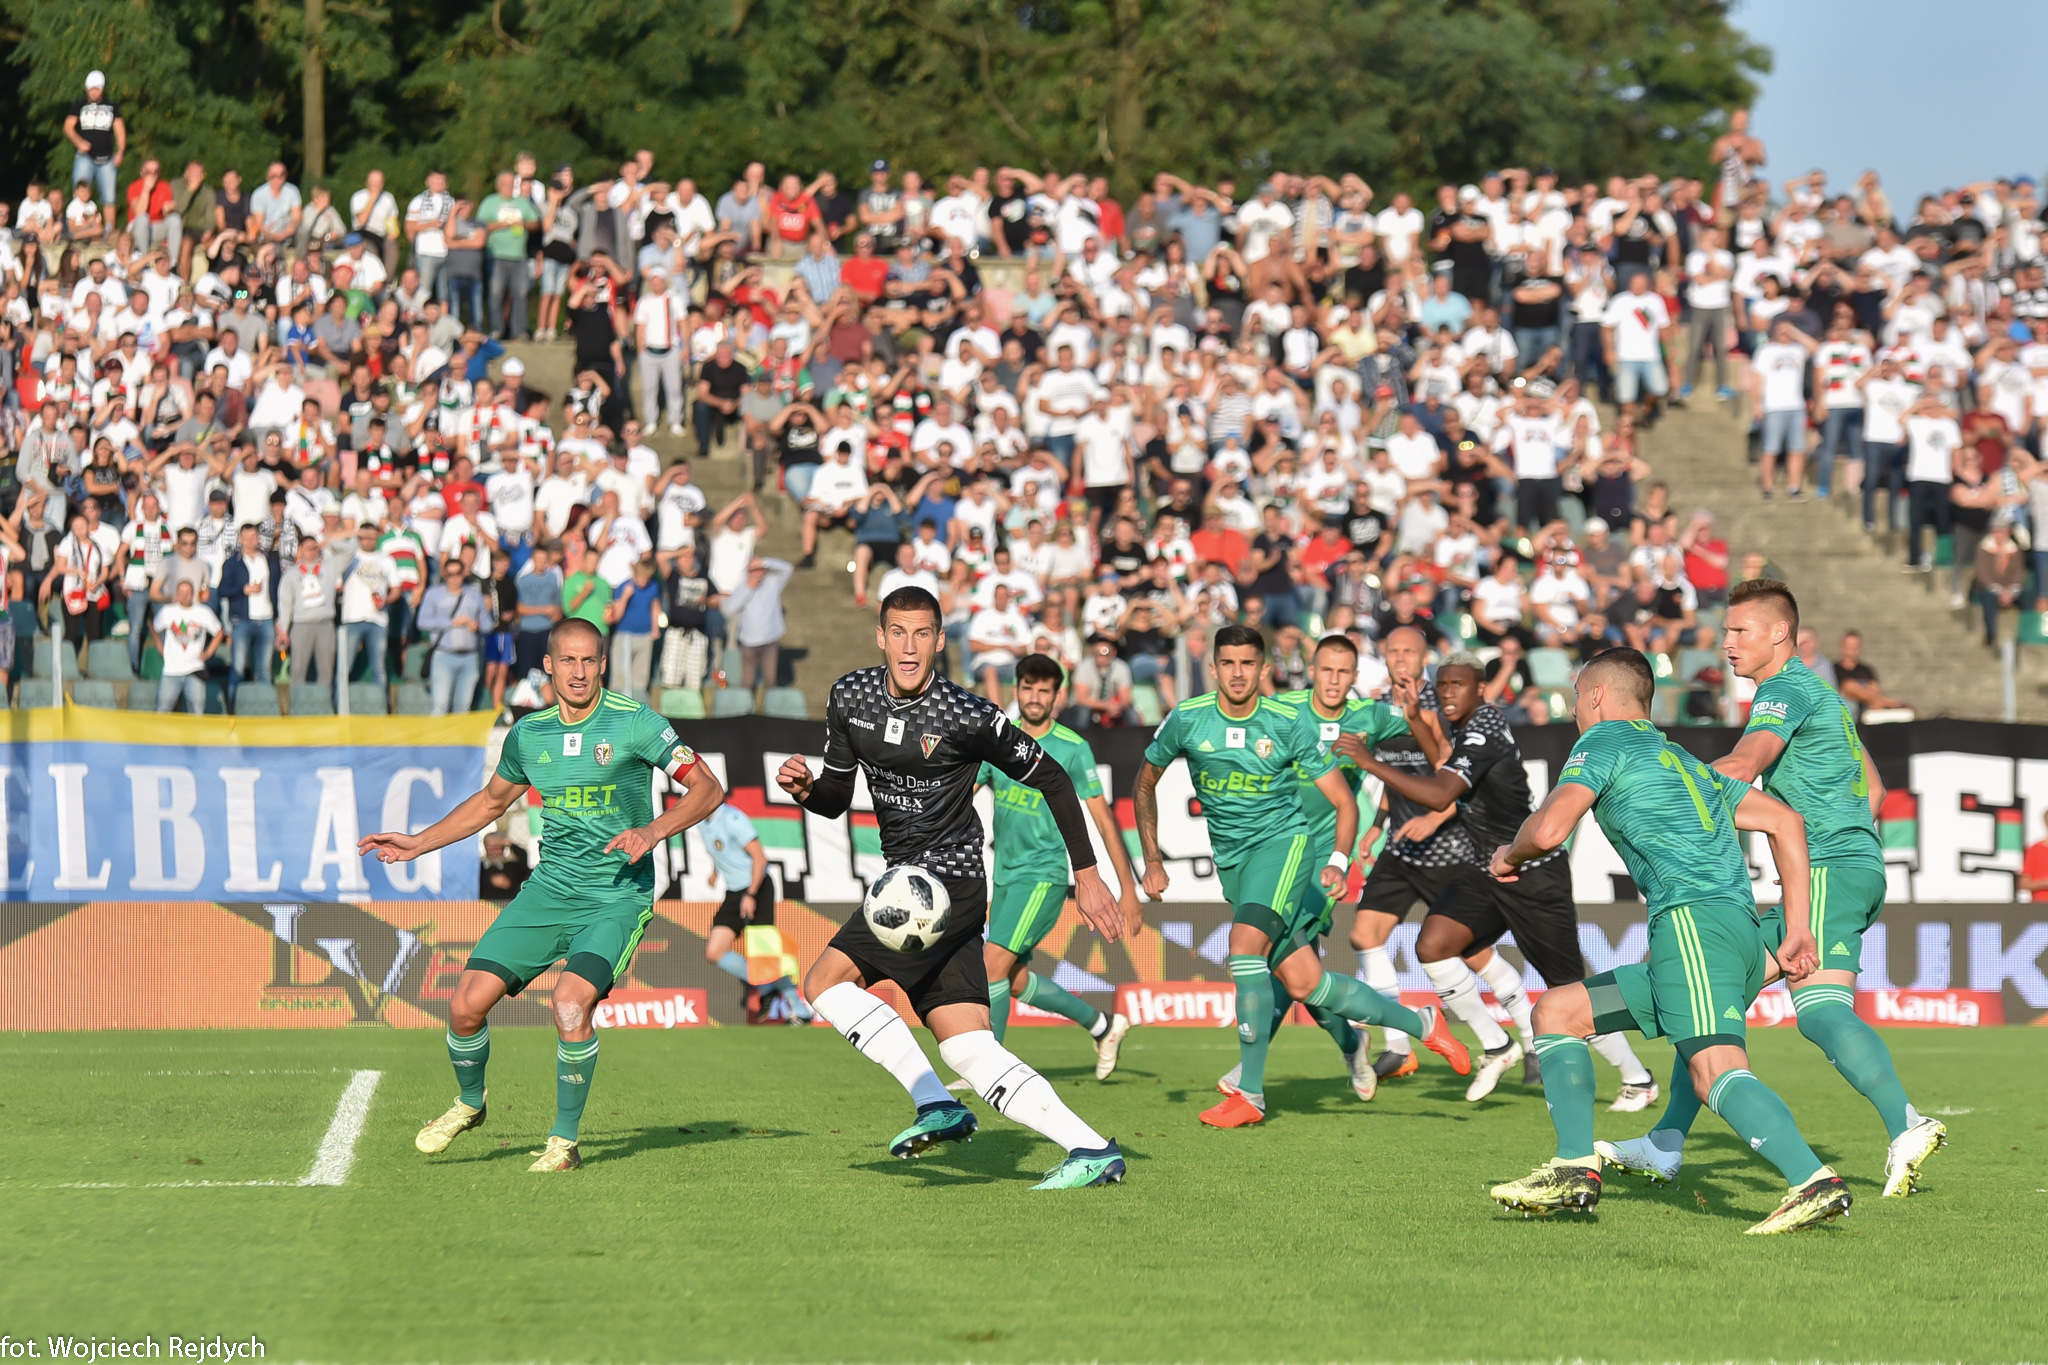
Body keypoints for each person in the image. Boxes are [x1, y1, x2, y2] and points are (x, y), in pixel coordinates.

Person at [772, 585, 1129, 1189]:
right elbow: (835, 797)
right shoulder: (850, 697)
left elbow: (1054, 778)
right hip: (911, 881)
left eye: (922, 634)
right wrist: (807, 789)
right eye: (898, 632)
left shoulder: (968, 715)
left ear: (940, 640)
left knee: (823, 983)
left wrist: (1088, 875)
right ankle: (1091, 1149)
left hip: (945, 883)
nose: (909, 647)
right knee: (968, 1047)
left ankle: (935, 1103)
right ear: (880, 637)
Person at [1484, 648, 1849, 1236]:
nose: (1575, 711)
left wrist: (1510, 854)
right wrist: (1798, 925)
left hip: (1692, 930)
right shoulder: (1682, 760)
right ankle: (1574, 1167)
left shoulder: (1603, 742)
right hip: (1729, 933)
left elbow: (1549, 830)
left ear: (1597, 695)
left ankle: (1812, 1180)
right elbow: (1786, 821)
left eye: (1577, 697)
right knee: (1557, 1011)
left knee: (1714, 1071)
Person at [1600, 581, 1946, 1199]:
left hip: (1828, 870)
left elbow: (1744, 764)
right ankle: (1666, 1142)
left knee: (1820, 1012)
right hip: (1851, 867)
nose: (1728, 643)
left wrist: (1667, 786)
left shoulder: (1783, 691)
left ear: (1779, 633)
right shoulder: (1822, 694)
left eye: (1741, 631)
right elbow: (1873, 789)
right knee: (1712, 996)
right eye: (1726, 631)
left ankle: (1907, 1123)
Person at [364, 617, 724, 1172]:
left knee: (569, 1003)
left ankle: (563, 1144)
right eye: (568, 661)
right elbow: (490, 803)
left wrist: (652, 831)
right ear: (549, 666)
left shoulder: (635, 722)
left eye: (589, 661)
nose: (579, 672)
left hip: (615, 897)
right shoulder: (529, 734)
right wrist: (417, 843)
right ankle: (470, 1103)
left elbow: (707, 788)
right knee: (464, 1007)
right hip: (548, 892)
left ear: (603, 665)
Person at [1134, 624, 1469, 1129]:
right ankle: (1419, 1022)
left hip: (1288, 850)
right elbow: (1144, 783)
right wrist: (1153, 859)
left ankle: (1249, 1091)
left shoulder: (1290, 723)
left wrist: (1337, 858)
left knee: (1246, 951)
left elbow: (1343, 800)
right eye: (1229, 663)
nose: (1238, 673)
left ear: (1264, 669)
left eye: (1248, 663)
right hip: (1234, 863)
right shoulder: (1188, 718)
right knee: (1305, 981)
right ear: (1214, 668)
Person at [1343, 651, 1658, 1107]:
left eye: (1458, 684)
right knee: (1433, 945)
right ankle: (1497, 1045)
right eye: (1442, 684)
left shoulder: (1485, 727)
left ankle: (1639, 1080)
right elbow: (1443, 762)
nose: (1447, 693)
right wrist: (1415, 721)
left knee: (1569, 990)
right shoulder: (1465, 729)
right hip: (1488, 869)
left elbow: (1442, 792)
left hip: (1531, 871)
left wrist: (1369, 763)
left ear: (1481, 689)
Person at [1214, 633, 1440, 1101]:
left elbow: (1434, 741)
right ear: (1312, 671)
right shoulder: (1284, 708)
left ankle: (1250, 1071)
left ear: (1355, 677)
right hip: (1271, 852)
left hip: (1321, 862)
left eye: (1343, 672)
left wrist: (1416, 712)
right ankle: (1352, 1043)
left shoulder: (1370, 716)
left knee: (1282, 961)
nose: (1334, 680)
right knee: (1296, 971)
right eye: (1326, 670)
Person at [977, 654, 1142, 1071]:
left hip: (1043, 877)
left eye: (1044, 690)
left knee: (990, 966)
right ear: (1016, 690)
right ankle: (1103, 1024)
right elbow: (962, 796)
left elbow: (1105, 821)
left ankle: (988, 1069)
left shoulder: (1072, 748)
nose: (1034, 697)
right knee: (1012, 979)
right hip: (1004, 877)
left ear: (1058, 696)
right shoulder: (998, 742)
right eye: (1027, 688)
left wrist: (1128, 890)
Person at [696, 798, 813, 1023]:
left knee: (766, 955)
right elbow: (722, 850)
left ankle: (801, 1011)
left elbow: (760, 858)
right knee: (714, 952)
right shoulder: (702, 822)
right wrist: (715, 872)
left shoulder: (732, 819)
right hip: (734, 892)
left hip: (757, 888)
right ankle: (766, 987)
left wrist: (751, 895)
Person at [419, 556, 488, 715]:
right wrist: (452, 622)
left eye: (457, 573)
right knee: (440, 706)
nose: (454, 578)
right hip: (444, 655)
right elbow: (422, 622)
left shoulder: (474, 595)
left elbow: (488, 624)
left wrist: (477, 625)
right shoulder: (433, 594)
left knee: (463, 708)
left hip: (470, 657)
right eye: (450, 574)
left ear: (463, 573)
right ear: (445, 575)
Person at [723, 555, 792, 703]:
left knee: (770, 680)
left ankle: (770, 709)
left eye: (760, 569)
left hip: (770, 641)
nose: (757, 573)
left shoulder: (773, 583)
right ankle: (746, 709)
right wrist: (748, 588)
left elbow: (788, 568)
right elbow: (730, 610)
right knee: (748, 682)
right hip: (748, 642)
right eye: (753, 570)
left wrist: (765, 561)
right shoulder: (741, 587)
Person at [276, 536, 339, 697]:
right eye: (308, 548)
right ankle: (297, 706)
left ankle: (324, 705)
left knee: (326, 672)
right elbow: (285, 604)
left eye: (314, 547)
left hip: (325, 624)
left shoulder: (329, 568)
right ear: (300, 550)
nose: (311, 551)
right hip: (301, 625)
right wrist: (283, 631)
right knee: (298, 670)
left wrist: (327, 542)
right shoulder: (291, 574)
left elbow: (350, 550)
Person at [153, 578, 221, 714]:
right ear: (177, 594)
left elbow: (219, 632)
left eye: (187, 593)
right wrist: (160, 647)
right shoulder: (168, 611)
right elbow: (155, 628)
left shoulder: (203, 612)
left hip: (195, 670)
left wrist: (209, 652)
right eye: (181, 593)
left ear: (193, 593)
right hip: (171, 670)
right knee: (162, 711)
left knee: (197, 712)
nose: (184, 596)